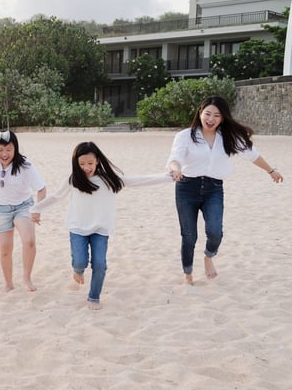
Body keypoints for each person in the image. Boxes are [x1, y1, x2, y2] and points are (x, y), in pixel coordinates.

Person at [31, 141, 171, 310]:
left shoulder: (108, 180)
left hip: (100, 229)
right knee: (80, 262)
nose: (86, 167)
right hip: (78, 228)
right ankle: (77, 271)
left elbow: (137, 181)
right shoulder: (73, 179)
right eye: (81, 164)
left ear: (97, 160)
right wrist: (36, 208)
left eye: (90, 163)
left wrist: (167, 177)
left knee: (99, 264)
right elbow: (55, 197)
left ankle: (94, 296)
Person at [167, 96, 284, 285]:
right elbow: (176, 157)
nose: (210, 119)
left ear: (222, 118)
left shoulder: (229, 138)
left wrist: (271, 170)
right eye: (207, 114)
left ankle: (208, 256)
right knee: (189, 235)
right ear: (200, 113)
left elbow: (253, 155)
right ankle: (188, 273)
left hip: (214, 189)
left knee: (215, 232)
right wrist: (175, 168)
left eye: (216, 115)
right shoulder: (185, 135)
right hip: (187, 188)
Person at [0, 130, 47, 292]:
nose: (4, 154)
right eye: (0, 150)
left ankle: (27, 277)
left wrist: (37, 210)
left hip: (23, 206)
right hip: (0, 208)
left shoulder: (25, 165)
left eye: (8, 149)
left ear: (15, 149)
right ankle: (8, 282)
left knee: (29, 241)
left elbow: (41, 189)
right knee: (5, 249)